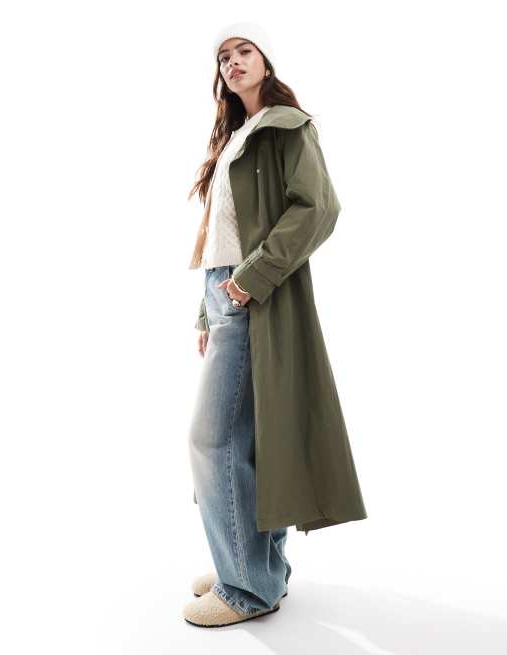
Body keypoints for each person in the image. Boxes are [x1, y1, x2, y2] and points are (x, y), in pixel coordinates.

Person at [183, 21, 368, 628]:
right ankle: (254, 566)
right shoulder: (236, 135)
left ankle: (246, 588)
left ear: (265, 61)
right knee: (246, 440)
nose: (233, 61)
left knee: (213, 440)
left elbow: (319, 208)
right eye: (223, 56)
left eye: (244, 50)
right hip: (226, 291)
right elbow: (222, 233)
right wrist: (207, 306)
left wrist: (247, 281)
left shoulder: (287, 126)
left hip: (252, 294)